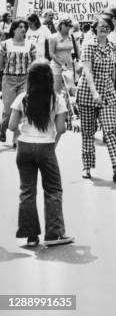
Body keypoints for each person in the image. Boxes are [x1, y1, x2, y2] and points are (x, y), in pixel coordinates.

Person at [8, 61, 74, 247]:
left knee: (27, 191)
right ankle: (54, 234)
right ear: (49, 79)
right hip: (46, 147)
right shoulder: (57, 99)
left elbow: (12, 126)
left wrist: (24, 132)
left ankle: (30, 236)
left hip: (24, 147)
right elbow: (61, 128)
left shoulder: (23, 98)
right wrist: (52, 142)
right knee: (53, 190)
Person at [77, 14, 116, 180]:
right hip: (88, 93)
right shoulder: (88, 45)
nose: (105, 29)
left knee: (110, 130)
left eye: (108, 26)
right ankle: (87, 166)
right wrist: (94, 93)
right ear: (95, 27)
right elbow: (87, 71)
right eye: (102, 26)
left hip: (107, 93)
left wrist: (112, 88)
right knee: (88, 132)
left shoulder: (113, 46)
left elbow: (113, 70)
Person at [0, 20, 37, 144]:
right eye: (20, 27)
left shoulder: (30, 45)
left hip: (24, 79)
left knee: (21, 108)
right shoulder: (5, 44)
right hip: (8, 79)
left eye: (25, 27)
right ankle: (2, 127)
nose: (23, 29)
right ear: (14, 29)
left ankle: (16, 137)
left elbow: (34, 63)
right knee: (8, 109)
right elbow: (0, 64)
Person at [48, 17, 79, 94]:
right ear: (61, 25)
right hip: (56, 66)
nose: (68, 27)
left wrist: (79, 61)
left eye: (70, 26)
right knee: (56, 90)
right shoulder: (53, 37)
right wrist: (61, 64)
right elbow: (51, 53)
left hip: (69, 66)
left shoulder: (72, 37)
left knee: (71, 90)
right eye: (66, 25)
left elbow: (77, 50)